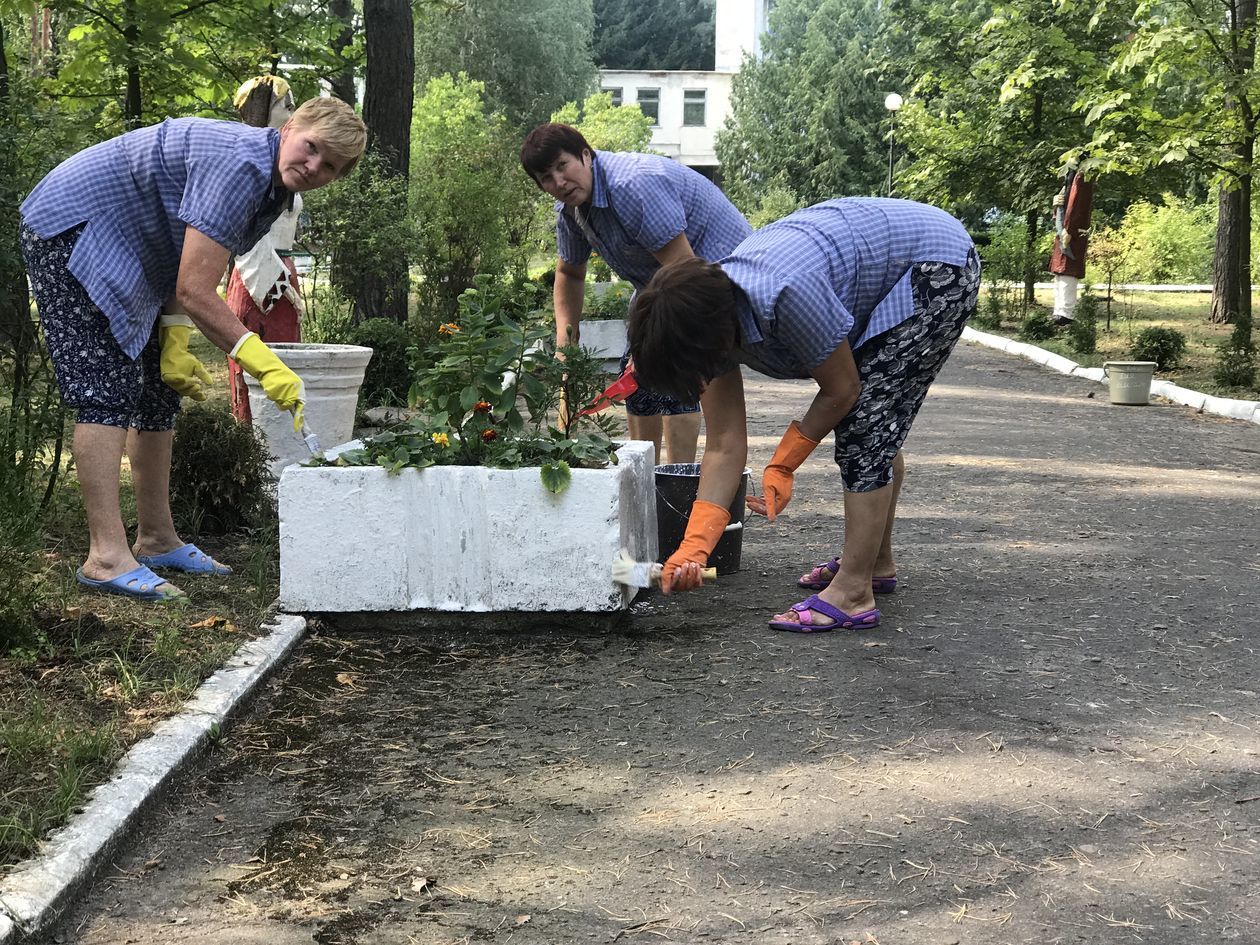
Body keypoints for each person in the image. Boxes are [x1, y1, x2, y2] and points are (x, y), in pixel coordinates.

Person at [20, 96, 367, 601]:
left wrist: (175, 338)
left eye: (331, 167)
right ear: (289, 127)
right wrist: (259, 360)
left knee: (157, 391)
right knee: (106, 389)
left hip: (134, 246)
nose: (314, 167)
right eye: (311, 148)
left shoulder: (272, 186)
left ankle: (157, 537)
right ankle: (105, 557)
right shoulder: (241, 166)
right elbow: (195, 289)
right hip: (74, 227)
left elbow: (179, 249)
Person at [627, 197, 979, 632]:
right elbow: (723, 444)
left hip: (934, 264)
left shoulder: (788, 294)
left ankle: (854, 592)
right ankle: (876, 563)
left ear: (715, 341)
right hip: (885, 260)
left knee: (867, 424)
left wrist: (785, 462)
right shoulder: (700, 320)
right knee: (875, 427)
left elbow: (842, 388)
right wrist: (693, 549)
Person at [519, 123, 751, 465]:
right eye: (546, 178)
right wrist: (566, 343)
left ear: (585, 154)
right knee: (639, 384)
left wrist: (661, 345)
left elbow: (683, 270)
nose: (558, 182)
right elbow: (569, 274)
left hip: (718, 281)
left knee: (684, 376)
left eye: (562, 166)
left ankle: (681, 481)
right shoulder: (571, 212)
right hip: (663, 287)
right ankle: (647, 484)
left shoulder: (632, 185)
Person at [225, 76, 307, 422]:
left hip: (282, 272)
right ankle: (252, 442)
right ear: (262, 110)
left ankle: (282, 442)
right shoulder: (250, 166)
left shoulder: (281, 164)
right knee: (258, 366)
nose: (292, 113)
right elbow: (246, 235)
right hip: (260, 277)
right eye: (285, 105)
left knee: (287, 362)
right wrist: (278, 283)